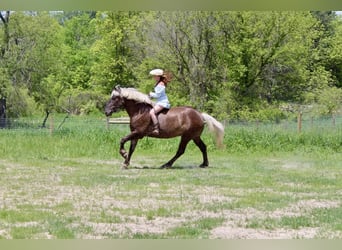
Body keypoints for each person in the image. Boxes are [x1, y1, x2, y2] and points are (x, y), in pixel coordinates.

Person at [148, 69, 172, 135]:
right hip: (159, 101)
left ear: (158, 76)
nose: (154, 77)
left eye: (155, 76)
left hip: (162, 102)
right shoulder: (158, 83)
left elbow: (158, 95)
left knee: (152, 112)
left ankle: (156, 128)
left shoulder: (160, 84)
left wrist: (150, 94)